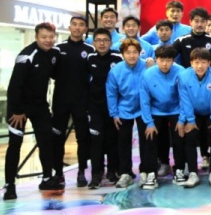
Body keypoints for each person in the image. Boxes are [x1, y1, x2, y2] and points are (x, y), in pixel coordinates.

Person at [3, 22, 61, 200]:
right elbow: (14, 86)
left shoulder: (54, 54)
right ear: (36, 37)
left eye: (51, 37)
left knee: (46, 141)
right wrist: (17, 111)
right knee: (15, 144)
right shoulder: (26, 55)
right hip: (18, 107)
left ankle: (47, 178)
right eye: (44, 37)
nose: (48, 40)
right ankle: (10, 185)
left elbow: (55, 73)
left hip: (39, 105)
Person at [51, 15, 95, 188]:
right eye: (74, 24)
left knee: (82, 138)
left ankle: (82, 171)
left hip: (82, 100)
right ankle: (58, 173)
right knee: (57, 137)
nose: (77, 27)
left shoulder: (90, 50)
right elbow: (52, 73)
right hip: (61, 100)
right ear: (69, 27)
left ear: (85, 29)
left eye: (81, 25)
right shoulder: (58, 48)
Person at [177, 48, 211, 188]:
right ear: (191, 63)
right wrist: (190, 121)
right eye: (196, 62)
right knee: (190, 136)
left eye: (203, 62)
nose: (200, 66)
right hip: (193, 112)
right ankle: (193, 173)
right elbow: (185, 100)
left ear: (209, 63)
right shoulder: (183, 77)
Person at [139, 45, 185, 190]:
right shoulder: (147, 75)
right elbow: (144, 100)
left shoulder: (181, 72)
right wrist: (149, 122)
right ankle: (151, 173)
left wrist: (182, 119)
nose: (164, 64)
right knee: (151, 139)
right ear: (156, 60)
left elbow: (185, 98)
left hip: (176, 110)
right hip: (156, 111)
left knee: (179, 138)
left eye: (168, 60)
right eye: (161, 60)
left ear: (173, 61)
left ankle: (179, 170)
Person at [106, 38, 148, 189]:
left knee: (146, 141)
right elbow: (111, 93)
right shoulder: (115, 71)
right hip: (124, 109)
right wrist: (114, 113)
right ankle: (126, 173)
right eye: (128, 52)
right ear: (122, 54)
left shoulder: (147, 66)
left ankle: (145, 172)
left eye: (135, 52)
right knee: (123, 142)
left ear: (139, 53)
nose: (131, 55)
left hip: (144, 109)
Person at [86, 28, 124, 189]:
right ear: (94, 42)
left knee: (112, 141)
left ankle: (112, 171)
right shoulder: (89, 58)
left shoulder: (118, 58)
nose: (102, 43)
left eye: (105, 40)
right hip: (95, 108)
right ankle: (96, 174)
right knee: (96, 142)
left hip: (114, 108)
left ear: (110, 42)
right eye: (98, 40)